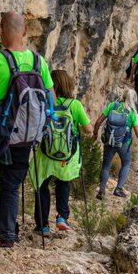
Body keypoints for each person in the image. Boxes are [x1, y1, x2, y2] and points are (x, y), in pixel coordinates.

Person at [0, 11, 56, 249]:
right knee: (12, 184)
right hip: (25, 133)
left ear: (2, 31)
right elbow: (50, 96)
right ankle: (7, 235)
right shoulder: (39, 62)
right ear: (24, 31)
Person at [31, 70, 92, 236]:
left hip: (45, 153)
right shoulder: (74, 105)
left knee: (42, 186)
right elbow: (89, 130)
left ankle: (42, 225)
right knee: (63, 182)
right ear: (68, 85)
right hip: (67, 156)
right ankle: (62, 217)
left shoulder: (44, 104)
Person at [93, 88, 138, 199]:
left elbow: (98, 121)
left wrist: (95, 134)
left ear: (123, 96)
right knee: (126, 163)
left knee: (106, 166)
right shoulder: (133, 113)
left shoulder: (113, 105)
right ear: (134, 100)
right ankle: (118, 189)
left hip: (109, 141)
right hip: (123, 144)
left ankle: (101, 191)